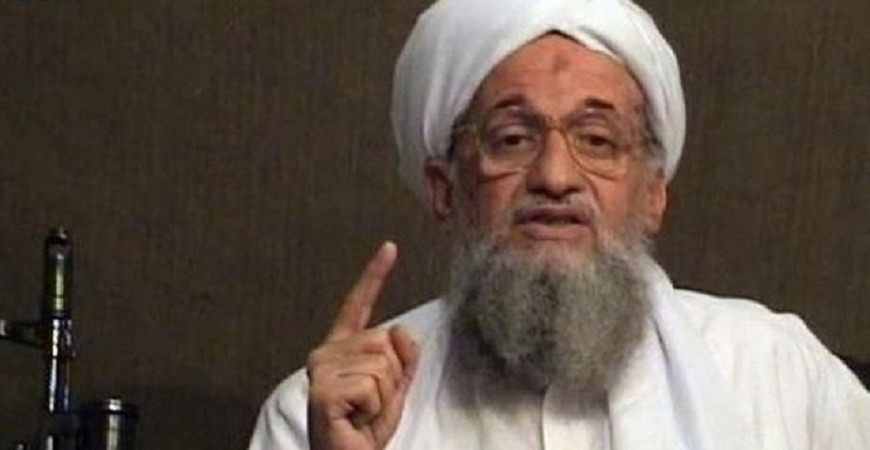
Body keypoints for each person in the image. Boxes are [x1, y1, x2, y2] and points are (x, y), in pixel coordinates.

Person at [248, 0, 870, 448]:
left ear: (653, 194)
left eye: (597, 140)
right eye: (512, 139)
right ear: (445, 188)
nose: (554, 175)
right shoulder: (322, 414)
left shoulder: (780, 376)